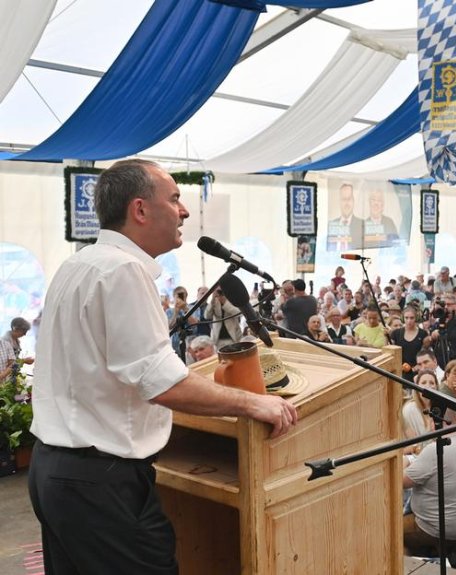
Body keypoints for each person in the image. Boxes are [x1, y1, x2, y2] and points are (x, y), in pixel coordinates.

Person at [28, 159, 298, 575]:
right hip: (102, 483)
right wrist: (252, 403)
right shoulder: (122, 270)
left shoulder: (78, 264)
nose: (184, 211)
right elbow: (161, 383)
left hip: (57, 472)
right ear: (139, 210)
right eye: (174, 199)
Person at [402, 426, 456, 553]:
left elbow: (399, 481)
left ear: (434, 421)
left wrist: (403, 460)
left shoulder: (434, 450)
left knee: (390, 530)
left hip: (442, 529)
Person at [392, 306, 430, 379]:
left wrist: (417, 367)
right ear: (403, 318)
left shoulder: (422, 334)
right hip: (400, 372)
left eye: (412, 318)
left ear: (416, 318)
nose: (409, 321)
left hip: (417, 371)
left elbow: (424, 353)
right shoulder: (396, 333)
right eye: (406, 318)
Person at [0, 317, 34, 382]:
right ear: (15, 329)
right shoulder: (6, 341)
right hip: (5, 376)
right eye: (23, 331)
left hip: (10, 373)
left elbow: (13, 360)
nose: (25, 334)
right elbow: (9, 363)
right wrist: (24, 360)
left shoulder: (15, 340)